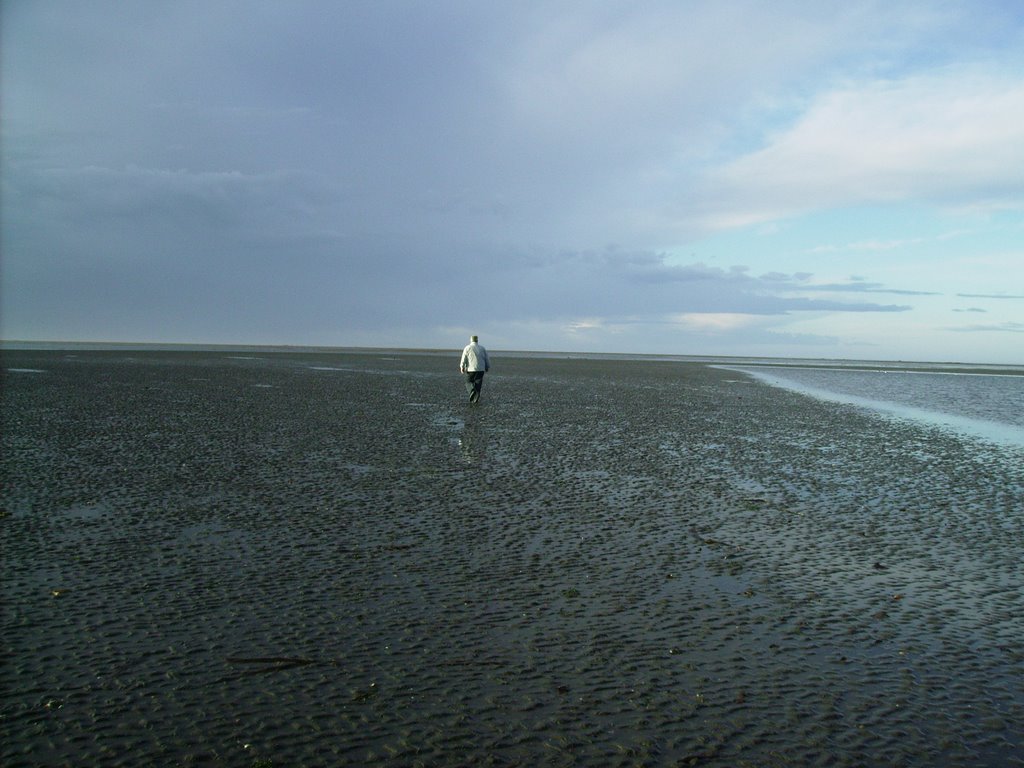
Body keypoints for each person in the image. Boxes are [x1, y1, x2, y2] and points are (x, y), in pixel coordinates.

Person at [459, 335, 490, 403]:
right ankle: (476, 398)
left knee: (468, 382)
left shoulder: (467, 348)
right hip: (481, 369)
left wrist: (462, 367)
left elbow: (464, 358)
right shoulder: (482, 348)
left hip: (470, 369)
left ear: (471, 340)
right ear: (477, 340)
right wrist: (487, 367)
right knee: (478, 383)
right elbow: (486, 358)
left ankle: (472, 390)